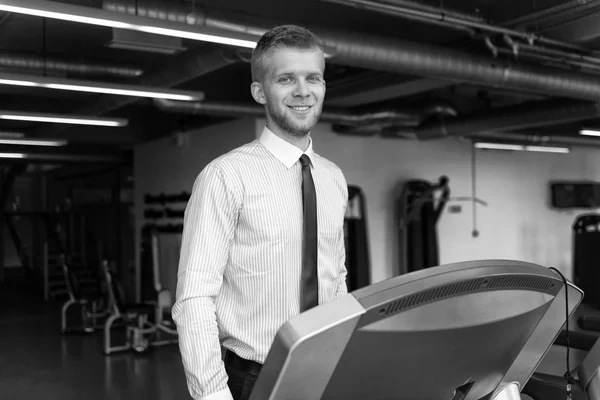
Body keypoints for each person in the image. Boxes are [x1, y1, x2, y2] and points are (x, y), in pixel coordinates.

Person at [172, 24, 349, 400]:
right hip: (254, 378)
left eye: (313, 78)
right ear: (259, 91)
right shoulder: (225, 177)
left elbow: (335, 277)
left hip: (328, 369)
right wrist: (213, 395)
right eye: (286, 78)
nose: (303, 91)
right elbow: (194, 298)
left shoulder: (333, 178)